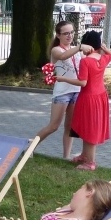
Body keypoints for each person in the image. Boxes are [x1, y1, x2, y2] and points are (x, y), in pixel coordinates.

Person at [35, 22, 94, 159]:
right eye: (66, 33)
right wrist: (80, 47)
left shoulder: (76, 49)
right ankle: (30, 147)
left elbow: (87, 62)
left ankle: (66, 157)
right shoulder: (56, 50)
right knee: (54, 126)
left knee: (70, 127)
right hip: (62, 93)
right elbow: (63, 56)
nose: (70, 36)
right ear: (58, 35)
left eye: (72, 32)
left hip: (76, 91)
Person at [69, 31, 111, 171]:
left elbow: (82, 82)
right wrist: (105, 49)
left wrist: (62, 79)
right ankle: (84, 155)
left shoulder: (85, 61)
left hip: (88, 98)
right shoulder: (103, 58)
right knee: (89, 127)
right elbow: (110, 55)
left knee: (90, 129)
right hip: (100, 97)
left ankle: (91, 162)